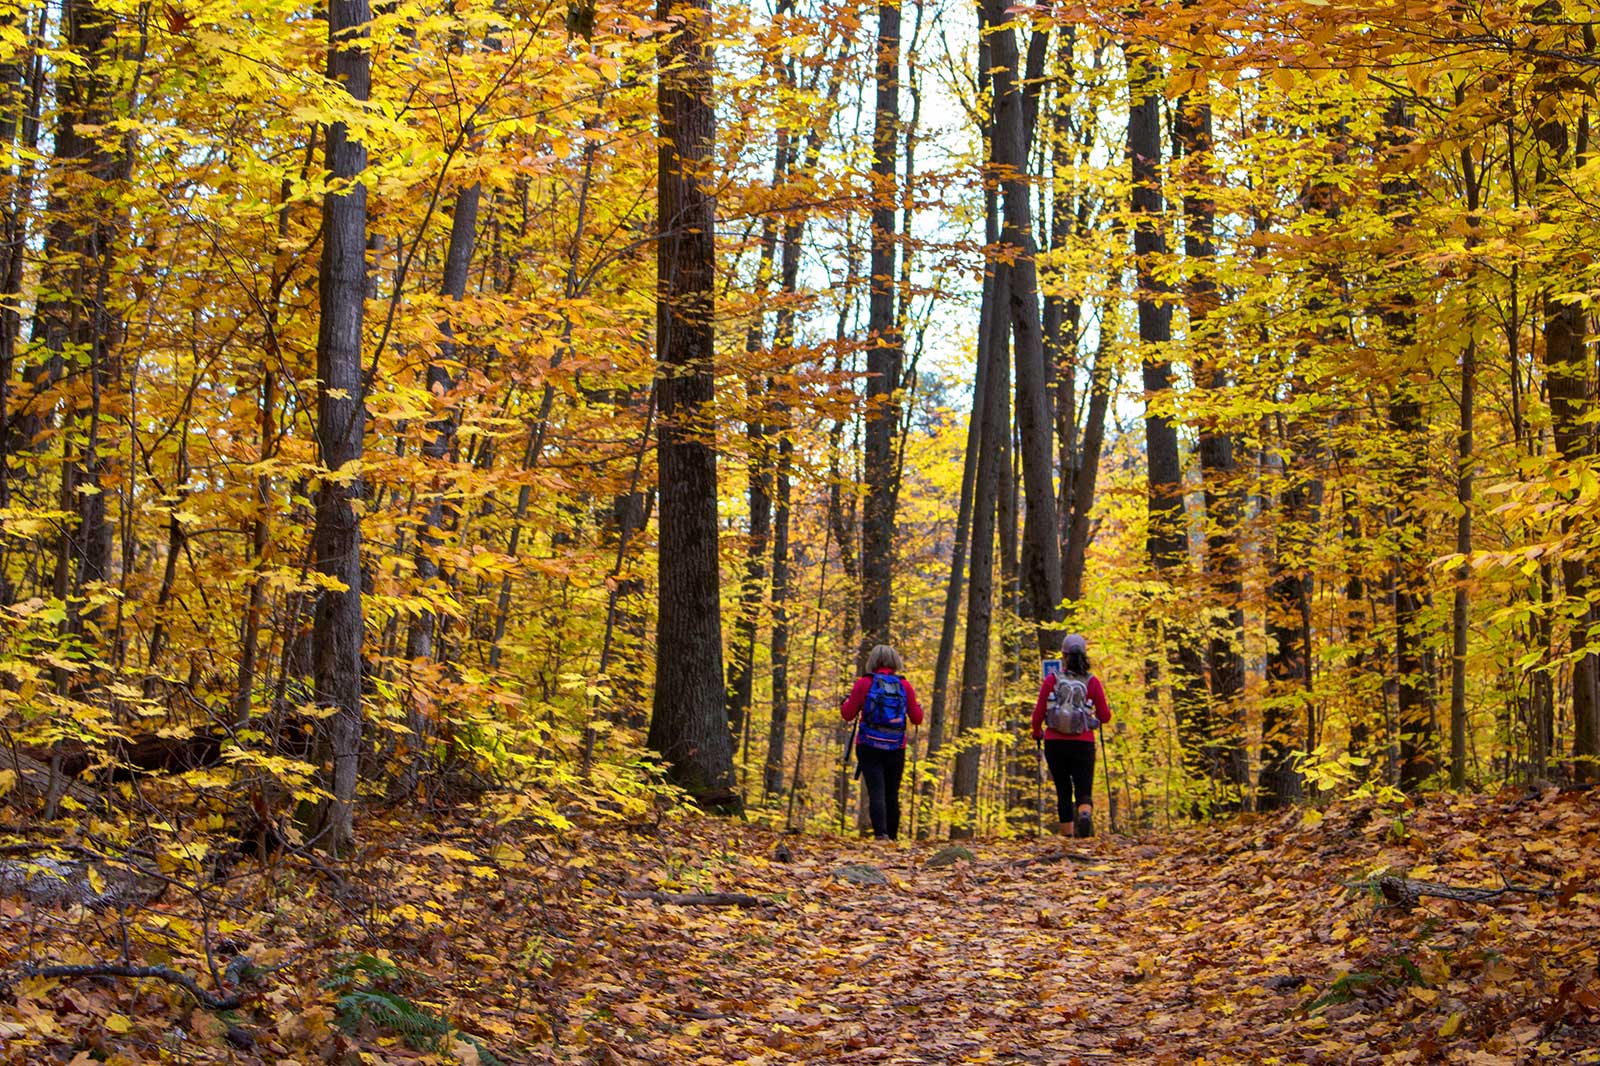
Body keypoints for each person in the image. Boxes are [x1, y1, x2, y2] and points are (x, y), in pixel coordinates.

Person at [1031, 633, 1112, 837]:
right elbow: (1105, 716)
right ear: (1084, 655)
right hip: (1083, 742)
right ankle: (1084, 815)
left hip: (1054, 743)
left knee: (1063, 789)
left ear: (1063, 655)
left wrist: (1037, 732)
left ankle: (1067, 838)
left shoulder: (1052, 680)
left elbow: (1039, 712)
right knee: (1083, 786)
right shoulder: (1092, 682)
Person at [840, 644, 925, 840]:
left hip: (868, 745)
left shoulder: (863, 683)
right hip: (896, 746)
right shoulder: (904, 686)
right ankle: (894, 839)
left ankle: (881, 836)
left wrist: (844, 703)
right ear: (895, 662)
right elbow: (917, 718)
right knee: (892, 793)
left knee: (876, 791)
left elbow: (847, 714)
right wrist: (919, 708)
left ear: (872, 661)